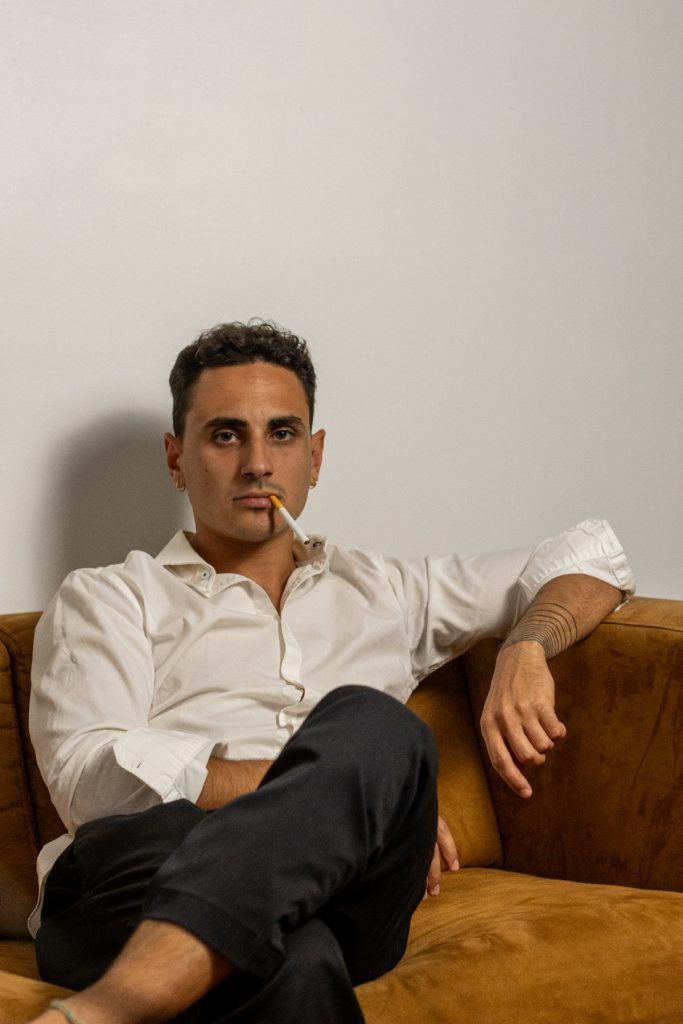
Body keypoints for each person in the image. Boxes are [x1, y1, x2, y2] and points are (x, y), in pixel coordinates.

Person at [28, 321, 634, 1024]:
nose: (258, 463)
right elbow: (90, 783)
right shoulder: (110, 596)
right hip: (140, 877)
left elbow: (590, 553)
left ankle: (101, 1013)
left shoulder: (386, 590)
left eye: (282, 434)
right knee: (302, 956)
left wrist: (526, 645)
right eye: (225, 435)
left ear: (313, 457)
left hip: (350, 894)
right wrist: (346, 799)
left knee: (377, 726)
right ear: (176, 459)